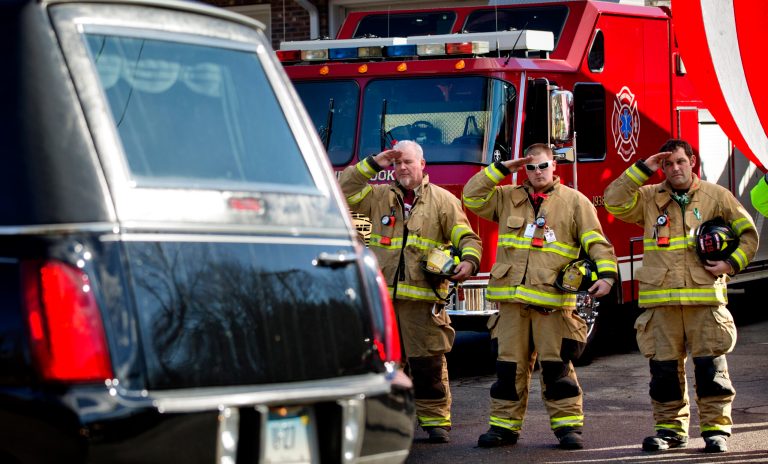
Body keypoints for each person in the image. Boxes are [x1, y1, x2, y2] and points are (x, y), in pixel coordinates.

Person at [604, 139, 759, 453]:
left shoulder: (717, 196)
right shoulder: (649, 198)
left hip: (704, 300)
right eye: (668, 164)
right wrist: (642, 168)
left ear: (692, 163)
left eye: (680, 162)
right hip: (661, 304)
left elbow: (748, 234)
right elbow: (613, 201)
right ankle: (670, 431)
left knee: (711, 370)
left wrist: (730, 264)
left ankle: (716, 431)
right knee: (664, 374)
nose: (675, 168)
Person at [462, 143, 618, 450]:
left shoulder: (575, 202)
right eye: (530, 167)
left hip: (553, 305)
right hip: (512, 306)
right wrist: (503, 168)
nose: (537, 173)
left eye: (543, 166)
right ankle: (503, 428)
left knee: (557, 370)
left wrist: (608, 276)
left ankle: (568, 429)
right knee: (508, 370)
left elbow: (597, 243)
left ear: (554, 166)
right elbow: (471, 195)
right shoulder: (507, 198)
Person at [338, 140, 482, 444]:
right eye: (397, 163)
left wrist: (469, 261)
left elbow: (466, 236)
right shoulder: (376, 196)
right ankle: (385, 422)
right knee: (382, 364)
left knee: (427, 362)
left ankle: (435, 422)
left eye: (408, 162)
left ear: (422, 165)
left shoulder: (442, 201)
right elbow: (343, 190)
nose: (402, 168)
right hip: (382, 302)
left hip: (422, 301)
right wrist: (374, 163)